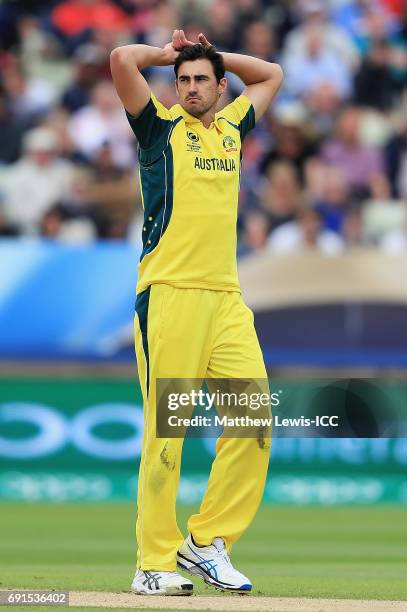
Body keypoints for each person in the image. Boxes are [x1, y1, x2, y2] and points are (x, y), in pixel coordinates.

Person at [110, 29, 283, 596]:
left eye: (200, 79)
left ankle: (206, 542)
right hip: (170, 295)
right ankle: (151, 563)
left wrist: (211, 54)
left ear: (219, 87)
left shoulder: (233, 128)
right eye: (181, 80)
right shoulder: (158, 129)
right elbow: (119, 59)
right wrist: (166, 55)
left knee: (254, 420)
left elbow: (271, 75)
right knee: (168, 435)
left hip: (226, 298)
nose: (189, 87)